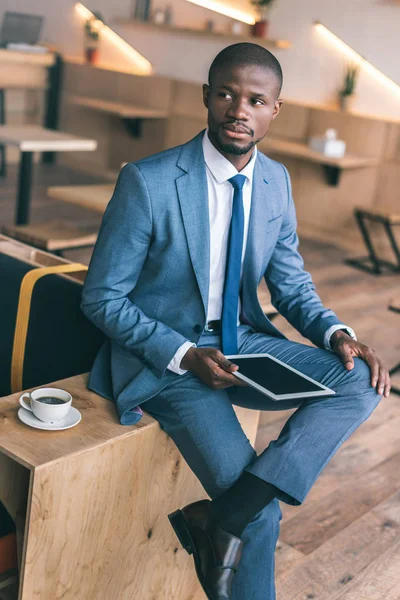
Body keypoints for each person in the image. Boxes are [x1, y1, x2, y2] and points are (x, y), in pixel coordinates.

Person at [81, 43, 390, 600]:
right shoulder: (148, 182)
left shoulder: (276, 182)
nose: (238, 109)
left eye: (255, 99)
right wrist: (181, 354)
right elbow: (102, 298)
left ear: (276, 110)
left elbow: (291, 287)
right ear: (206, 97)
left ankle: (219, 518)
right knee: (262, 519)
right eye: (225, 93)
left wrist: (337, 333)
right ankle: (236, 516)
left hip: (243, 342)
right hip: (171, 359)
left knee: (362, 384)